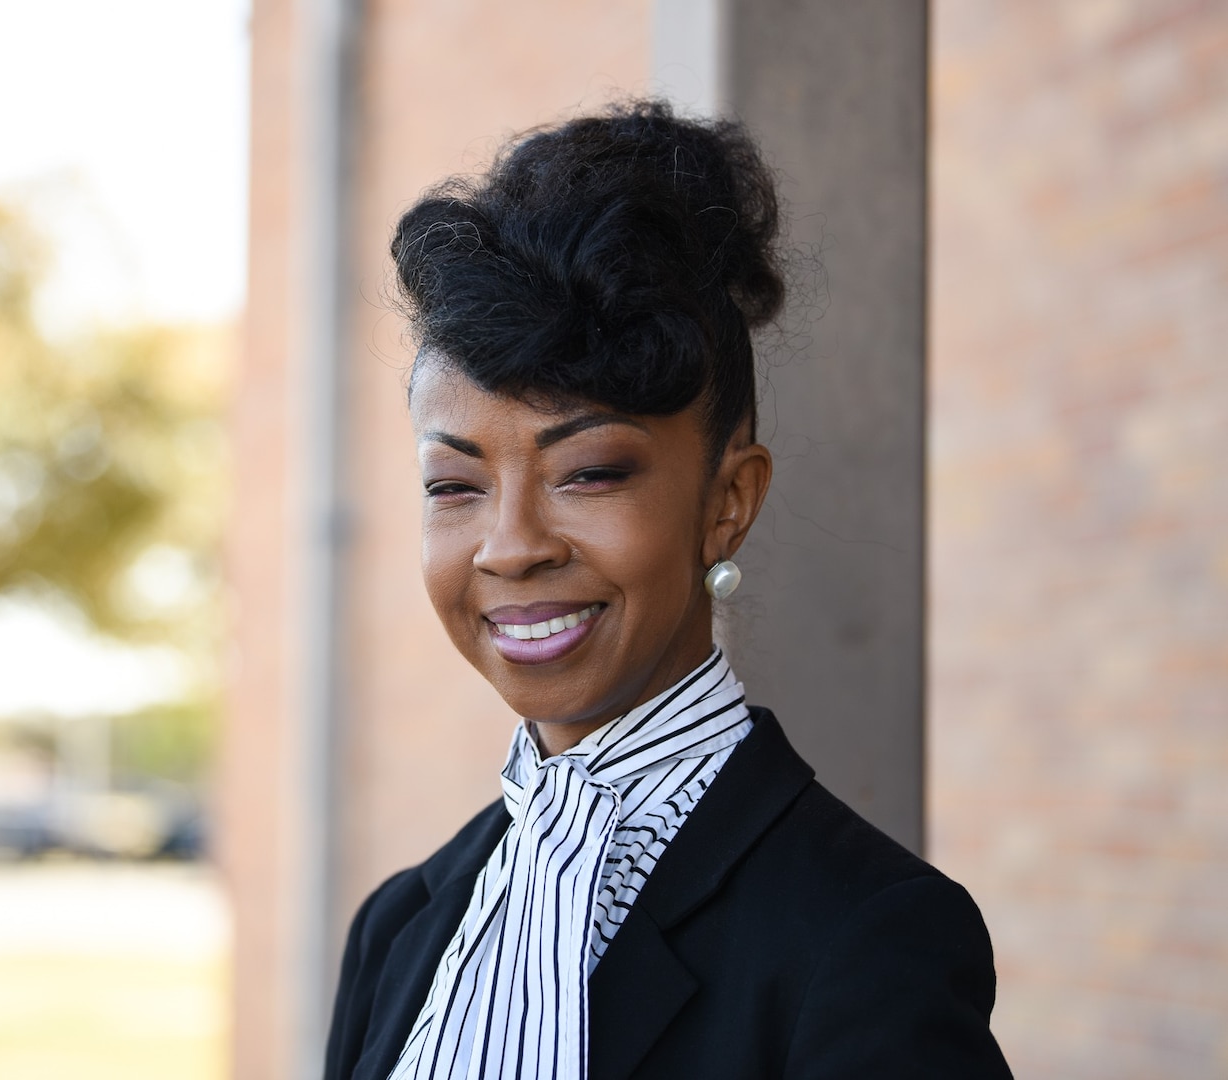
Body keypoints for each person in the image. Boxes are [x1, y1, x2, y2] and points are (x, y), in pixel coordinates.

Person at [323, 100, 1011, 1079]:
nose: (510, 547)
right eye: (454, 485)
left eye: (590, 472)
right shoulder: (399, 927)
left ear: (727, 501)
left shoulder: (866, 938)